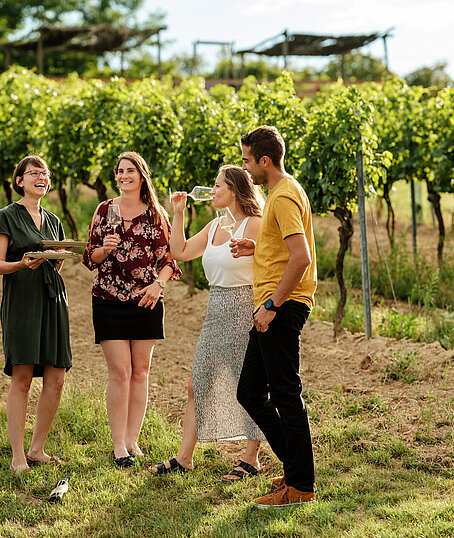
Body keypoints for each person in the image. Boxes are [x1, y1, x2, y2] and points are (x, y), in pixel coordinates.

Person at [149, 165, 266, 480]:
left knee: (248, 386)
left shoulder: (255, 224)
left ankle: (251, 458)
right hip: (215, 311)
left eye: (217, 186)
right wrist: (178, 214)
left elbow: (273, 260)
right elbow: (179, 252)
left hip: (244, 309)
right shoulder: (215, 225)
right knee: (197, 382)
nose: (212, 191)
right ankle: (184, 458)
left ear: (234, 190)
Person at [230, 126, 318, 508]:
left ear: (264, 161)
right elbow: (285, 249)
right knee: (250, 392)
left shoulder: (282, 196)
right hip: (272, 306)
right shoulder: (280, 193)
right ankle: (297, 470)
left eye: (247, 160)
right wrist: (257, 245)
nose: (245, 168)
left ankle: (301, 485)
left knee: (284, 394)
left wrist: (272, 306)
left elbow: (301, 257)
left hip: (280, 306)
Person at [83, 151, 182, 467]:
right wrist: (104, 250)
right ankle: (118, 446)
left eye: (130, 171)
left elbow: (168, 260)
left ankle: (132, 440)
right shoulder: (104, 210)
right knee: (120, 371)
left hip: (145, 300)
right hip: (108, 299)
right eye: (120, 171)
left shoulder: (155, 215)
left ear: (141, 176)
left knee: (141, 372)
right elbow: (89, 257)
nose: (123, 176)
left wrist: (158, 285)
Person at [0, 155, 72, 473]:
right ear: (19, 180)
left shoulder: (53, 220)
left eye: (45, 173)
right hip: (22, 301)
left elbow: (56, 262)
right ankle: (18, 457)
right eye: (34, 173)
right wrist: (22, 263)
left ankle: (37, 449)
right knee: (22, 378)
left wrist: (58, 257)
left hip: (53, 299)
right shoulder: (6, 216)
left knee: (57, 377)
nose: (41, 178)